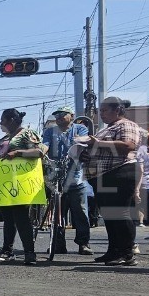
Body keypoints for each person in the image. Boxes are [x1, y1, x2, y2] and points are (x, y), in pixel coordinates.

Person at [0, 108, 47, 266]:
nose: (0, 123)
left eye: (3, 120)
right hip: (5, 184)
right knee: (8, 219)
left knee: (21, 217)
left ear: (12, 120)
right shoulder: (6, 138)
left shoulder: (26, 134)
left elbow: (40, 151)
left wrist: (18, 152)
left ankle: (29, 253)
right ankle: (7, 251)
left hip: (20, 183)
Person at [79, 98, 141, 267]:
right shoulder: (106, 129)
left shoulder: (125, 125)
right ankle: (114, 251)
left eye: (105, 110)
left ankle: (127, 253)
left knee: (119, 213)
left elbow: (128, 145)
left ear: (118, 110)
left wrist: (97, 143)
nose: (102, 114)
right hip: (102, 175)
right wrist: (86, 154)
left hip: (120, 172)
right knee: (109, 215)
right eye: (101, 111)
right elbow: (98, 148)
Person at [41, 107, 94, 255]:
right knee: (58, 214)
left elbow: (83, 143)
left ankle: (83, 244)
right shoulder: (49, 131)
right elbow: (45, 146)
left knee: (81, 213)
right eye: (56, 115)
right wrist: (40, 151)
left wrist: (78, 142)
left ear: (71, 116)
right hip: (56, 178)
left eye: (62, 115)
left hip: (76, 177)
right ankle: (58, 244)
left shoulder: (80, 128)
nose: (58, 117)